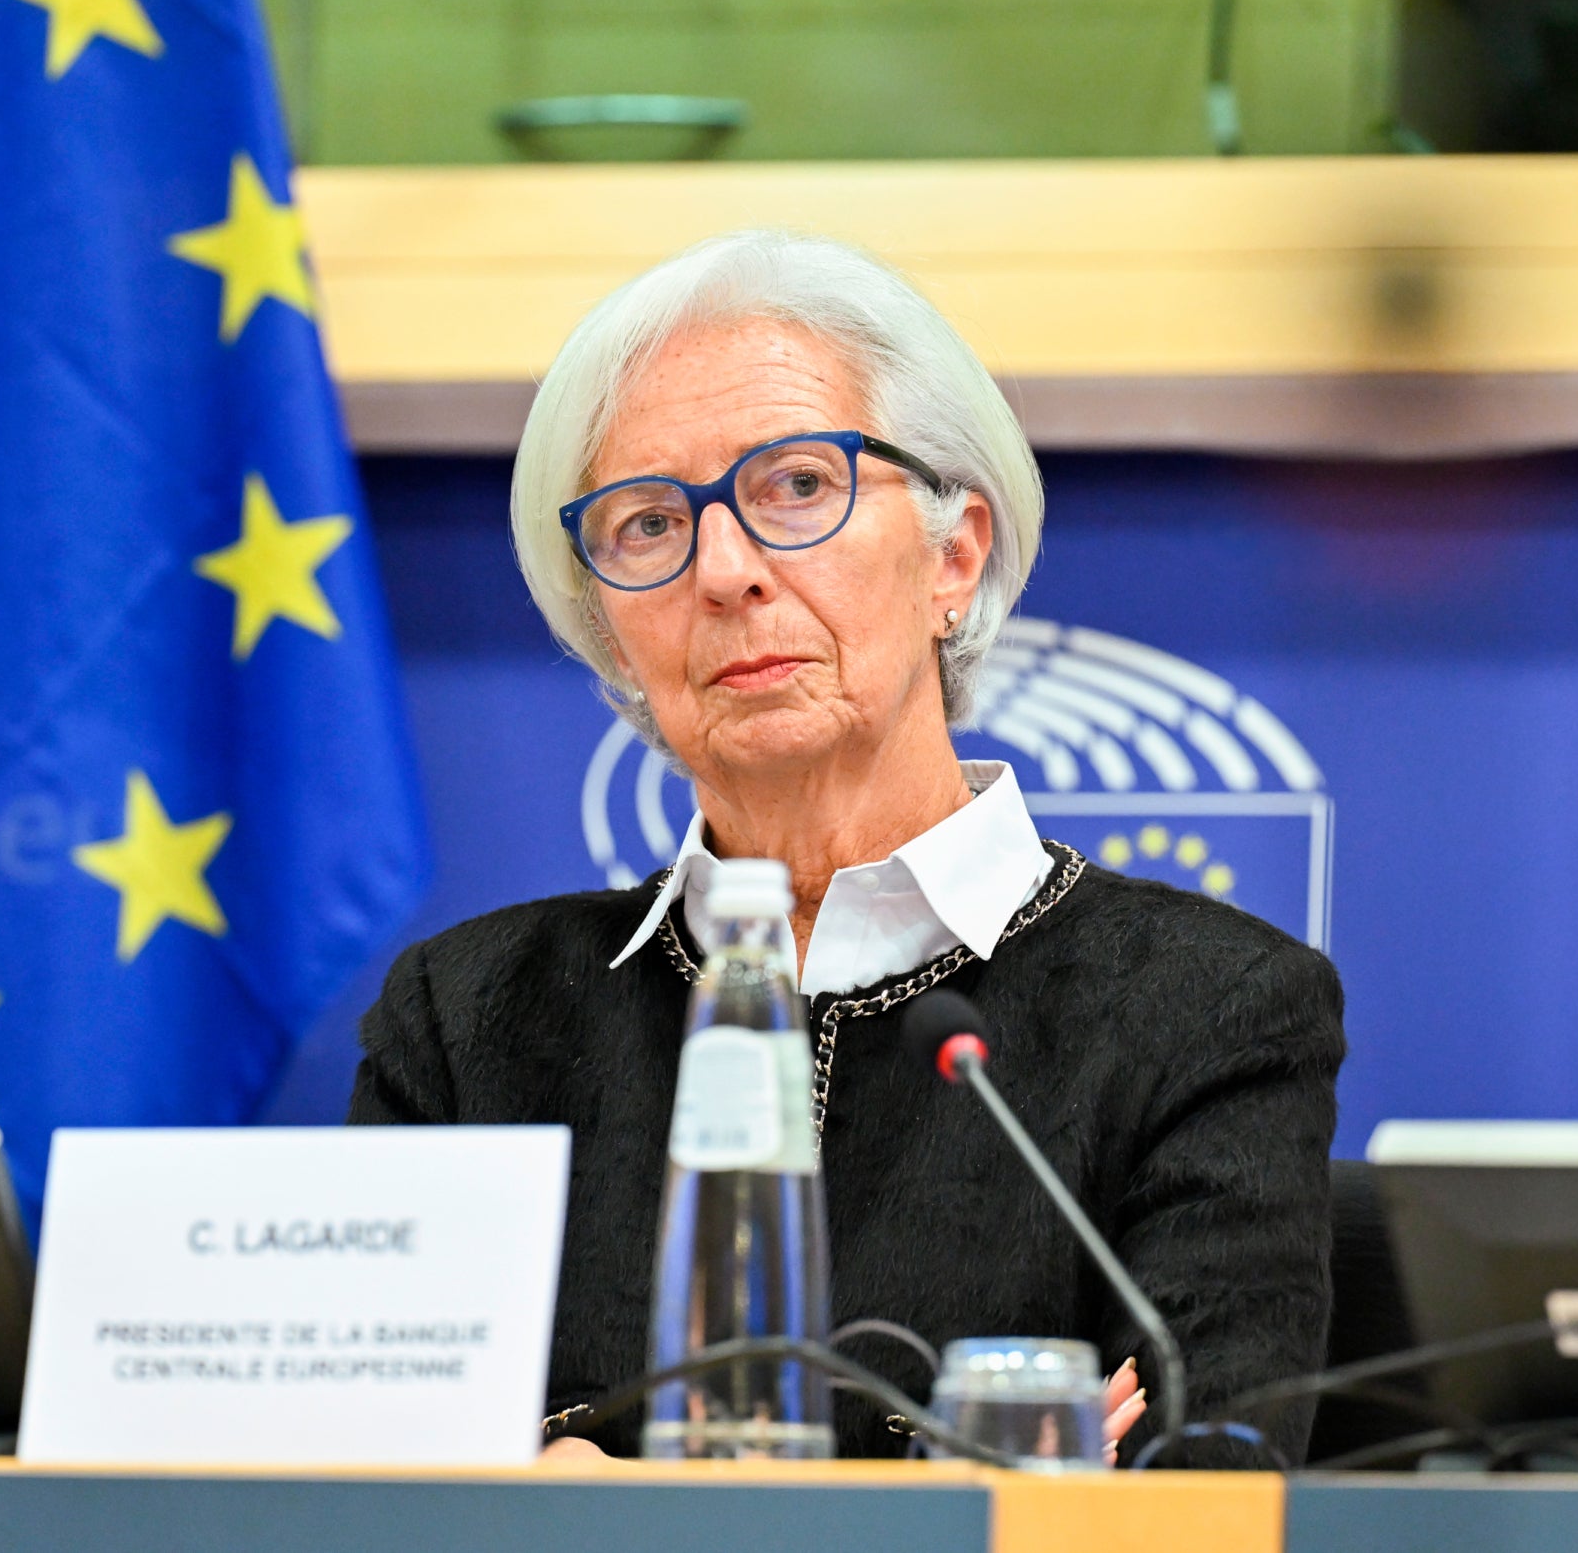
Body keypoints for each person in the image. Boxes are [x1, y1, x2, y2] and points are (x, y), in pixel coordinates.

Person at [347, 230, 1346, 1465]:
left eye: (797, 489)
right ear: (610, 633)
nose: (724, 571)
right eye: (649, 523)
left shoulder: (1208, 1007)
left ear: (953, 554)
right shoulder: (471, 1021)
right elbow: (371, 1479)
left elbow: (1202, 1497)